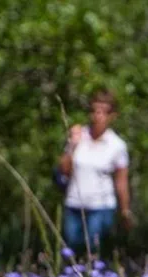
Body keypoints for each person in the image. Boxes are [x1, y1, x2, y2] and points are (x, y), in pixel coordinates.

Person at [58, 90, 133, 255]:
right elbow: (64, 170)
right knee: (71, 248)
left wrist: (125, 210)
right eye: (94, 110)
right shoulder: (78, 136)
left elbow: (121, 181)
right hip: (74, 203)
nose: (97, 115)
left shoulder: (116, 145)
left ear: (111, 115)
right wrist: (72, 145)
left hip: (101, 205)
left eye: (103, 111)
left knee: (92, 246)